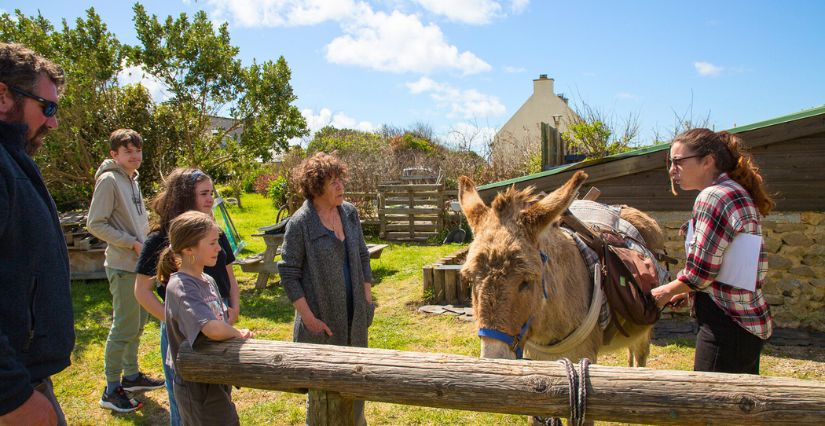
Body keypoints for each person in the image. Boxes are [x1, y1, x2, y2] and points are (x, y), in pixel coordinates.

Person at [652, 128, 774, 374]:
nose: (671, 170)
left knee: (708, 407)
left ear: (707, 161)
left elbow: (701, 272)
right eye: (670, 162)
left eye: (678, 161)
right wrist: (685, 292)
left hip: (726, 324)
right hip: (744, 323)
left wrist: (663, 292)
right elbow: (725, 265)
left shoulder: (714, 196)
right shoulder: (733, 190)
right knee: (737, 406)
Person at [0, 42, 74, 426]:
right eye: (47, 107)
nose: (53, 122)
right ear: (2, 95)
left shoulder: (12, 159)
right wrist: (11, 396)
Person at [134, 168, 241, 425]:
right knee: (185, 404)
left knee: (215, 395)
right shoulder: (162, 239)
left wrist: (234, 309)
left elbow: (230, 276)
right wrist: (179, 322)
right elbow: (142, 291)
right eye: (203, 193)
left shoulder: (214, 233)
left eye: (211, 193)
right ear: (184, 196)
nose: (209, 199)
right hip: (186, 330)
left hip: (217, 322)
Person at [278, 152, 375, 425]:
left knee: (357, 385)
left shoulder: (349, 213)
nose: (340, 186)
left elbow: (363, 255)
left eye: (340, 179)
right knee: (324, 396)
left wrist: (367, 301)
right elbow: (288, 273)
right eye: (332, 181)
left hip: (354, 319)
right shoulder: (300, 223)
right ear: (315, 187)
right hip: (321, 324)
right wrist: (309, 320)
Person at [87, 128, 163, 412]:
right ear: (114, 154)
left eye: (137, 150)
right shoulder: (109, 180)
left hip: (141, 265)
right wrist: (130, 243)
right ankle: (111, 389)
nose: (134, 156)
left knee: (138, 324)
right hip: (123, 266)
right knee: (123, 327)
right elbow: (95, 224)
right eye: (127, 151)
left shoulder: (132, 179)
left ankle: (131, 377)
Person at [158, 210, 252, 426]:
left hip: (214, 376)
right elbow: (211, 329)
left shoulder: (207, 279)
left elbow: (219, 322)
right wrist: (239, 334)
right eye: (212, 243)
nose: (219, 248)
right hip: (196, 386)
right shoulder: (181, 287)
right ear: (189, 249)